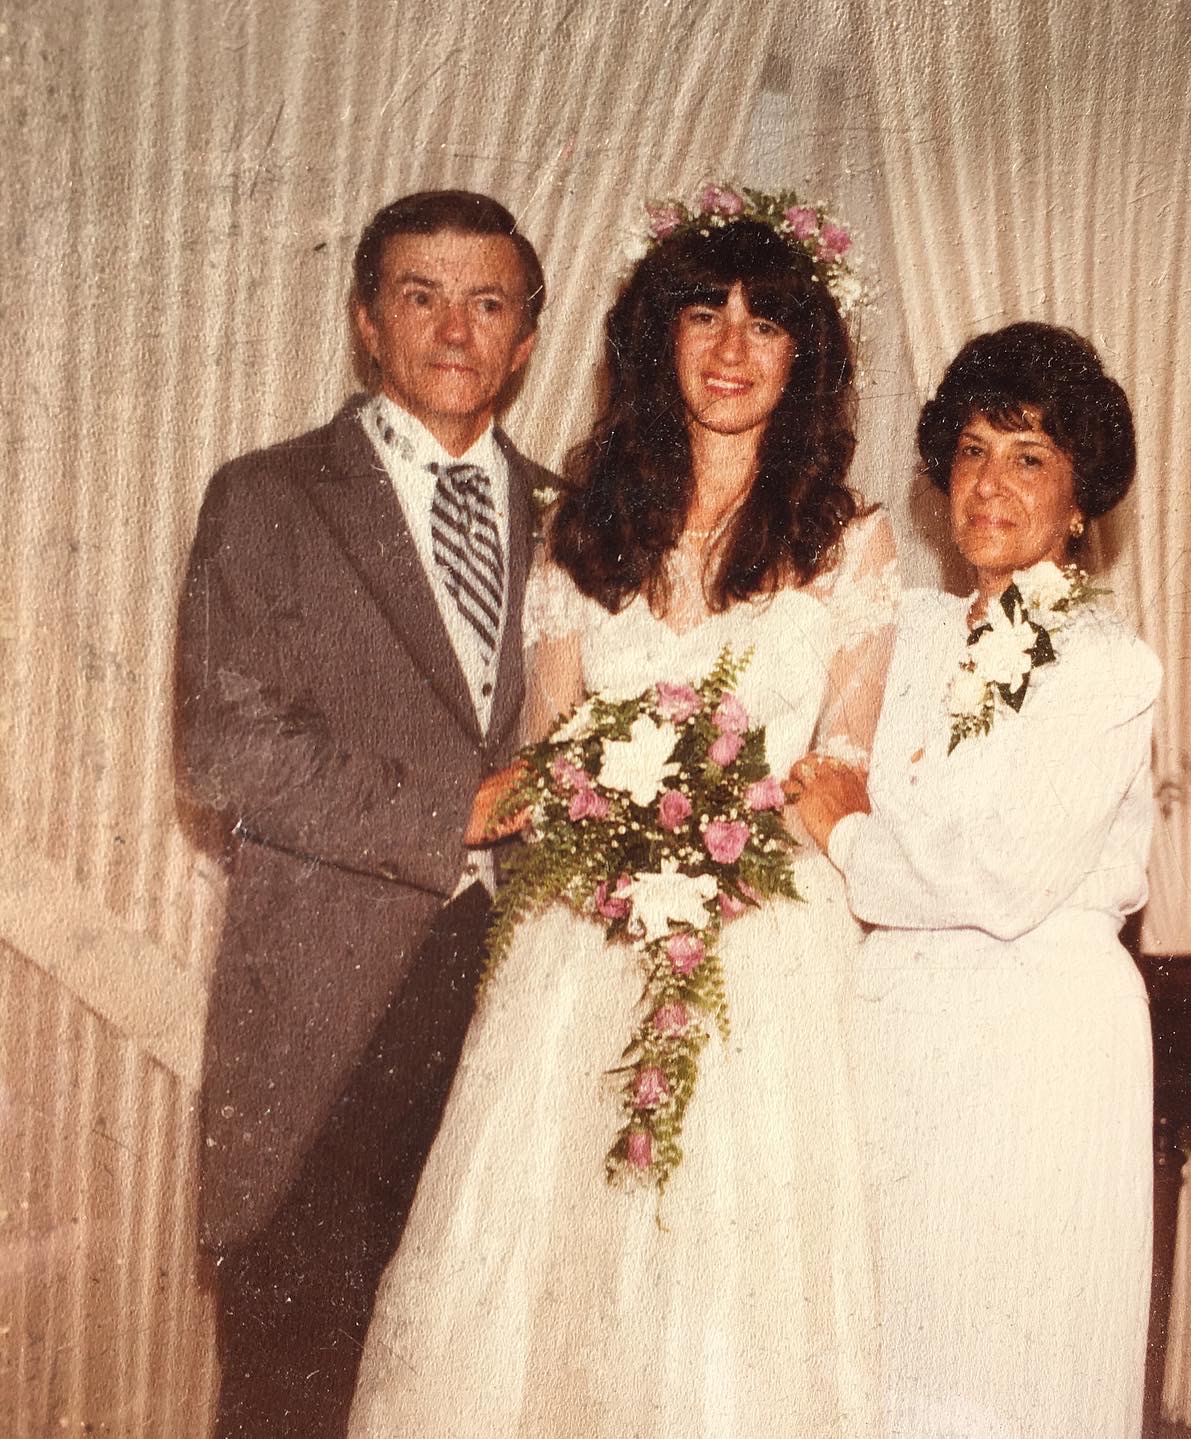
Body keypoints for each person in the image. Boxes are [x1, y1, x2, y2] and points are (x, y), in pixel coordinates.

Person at [347, 189, 899, 1438]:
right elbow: (546, 754)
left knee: (728, 1266)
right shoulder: (584, 528)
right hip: (589, 934)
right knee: (553, 1261)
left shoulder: (848, 543)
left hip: (764, 947)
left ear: (805, 354)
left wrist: (719, 833)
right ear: (660, 338)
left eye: (766, 323)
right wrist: (615, 824)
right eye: (704, 315)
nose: (732, 348)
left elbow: (839, 771)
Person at [175, 189, 556, 1439]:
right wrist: (456, 808)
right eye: (420, 296)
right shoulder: (271, 498)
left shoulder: (582, 520)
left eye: (486, 302)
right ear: (366, 322)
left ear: (525, 338)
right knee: (295, 1389)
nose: (453, 329)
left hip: (523, 1007)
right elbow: (224, 746)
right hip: (328, 1015)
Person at [792, 322, 1161, 1436]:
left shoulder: (1105, 663)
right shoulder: (906, 628)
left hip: (1034, 1043)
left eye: (1029, 456)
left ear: (1079, 500)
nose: (991, 483)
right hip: (898, 1032)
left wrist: (850, 836)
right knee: (890, 1348)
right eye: (971, 452)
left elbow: (1003, 878)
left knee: (1009, 1358)